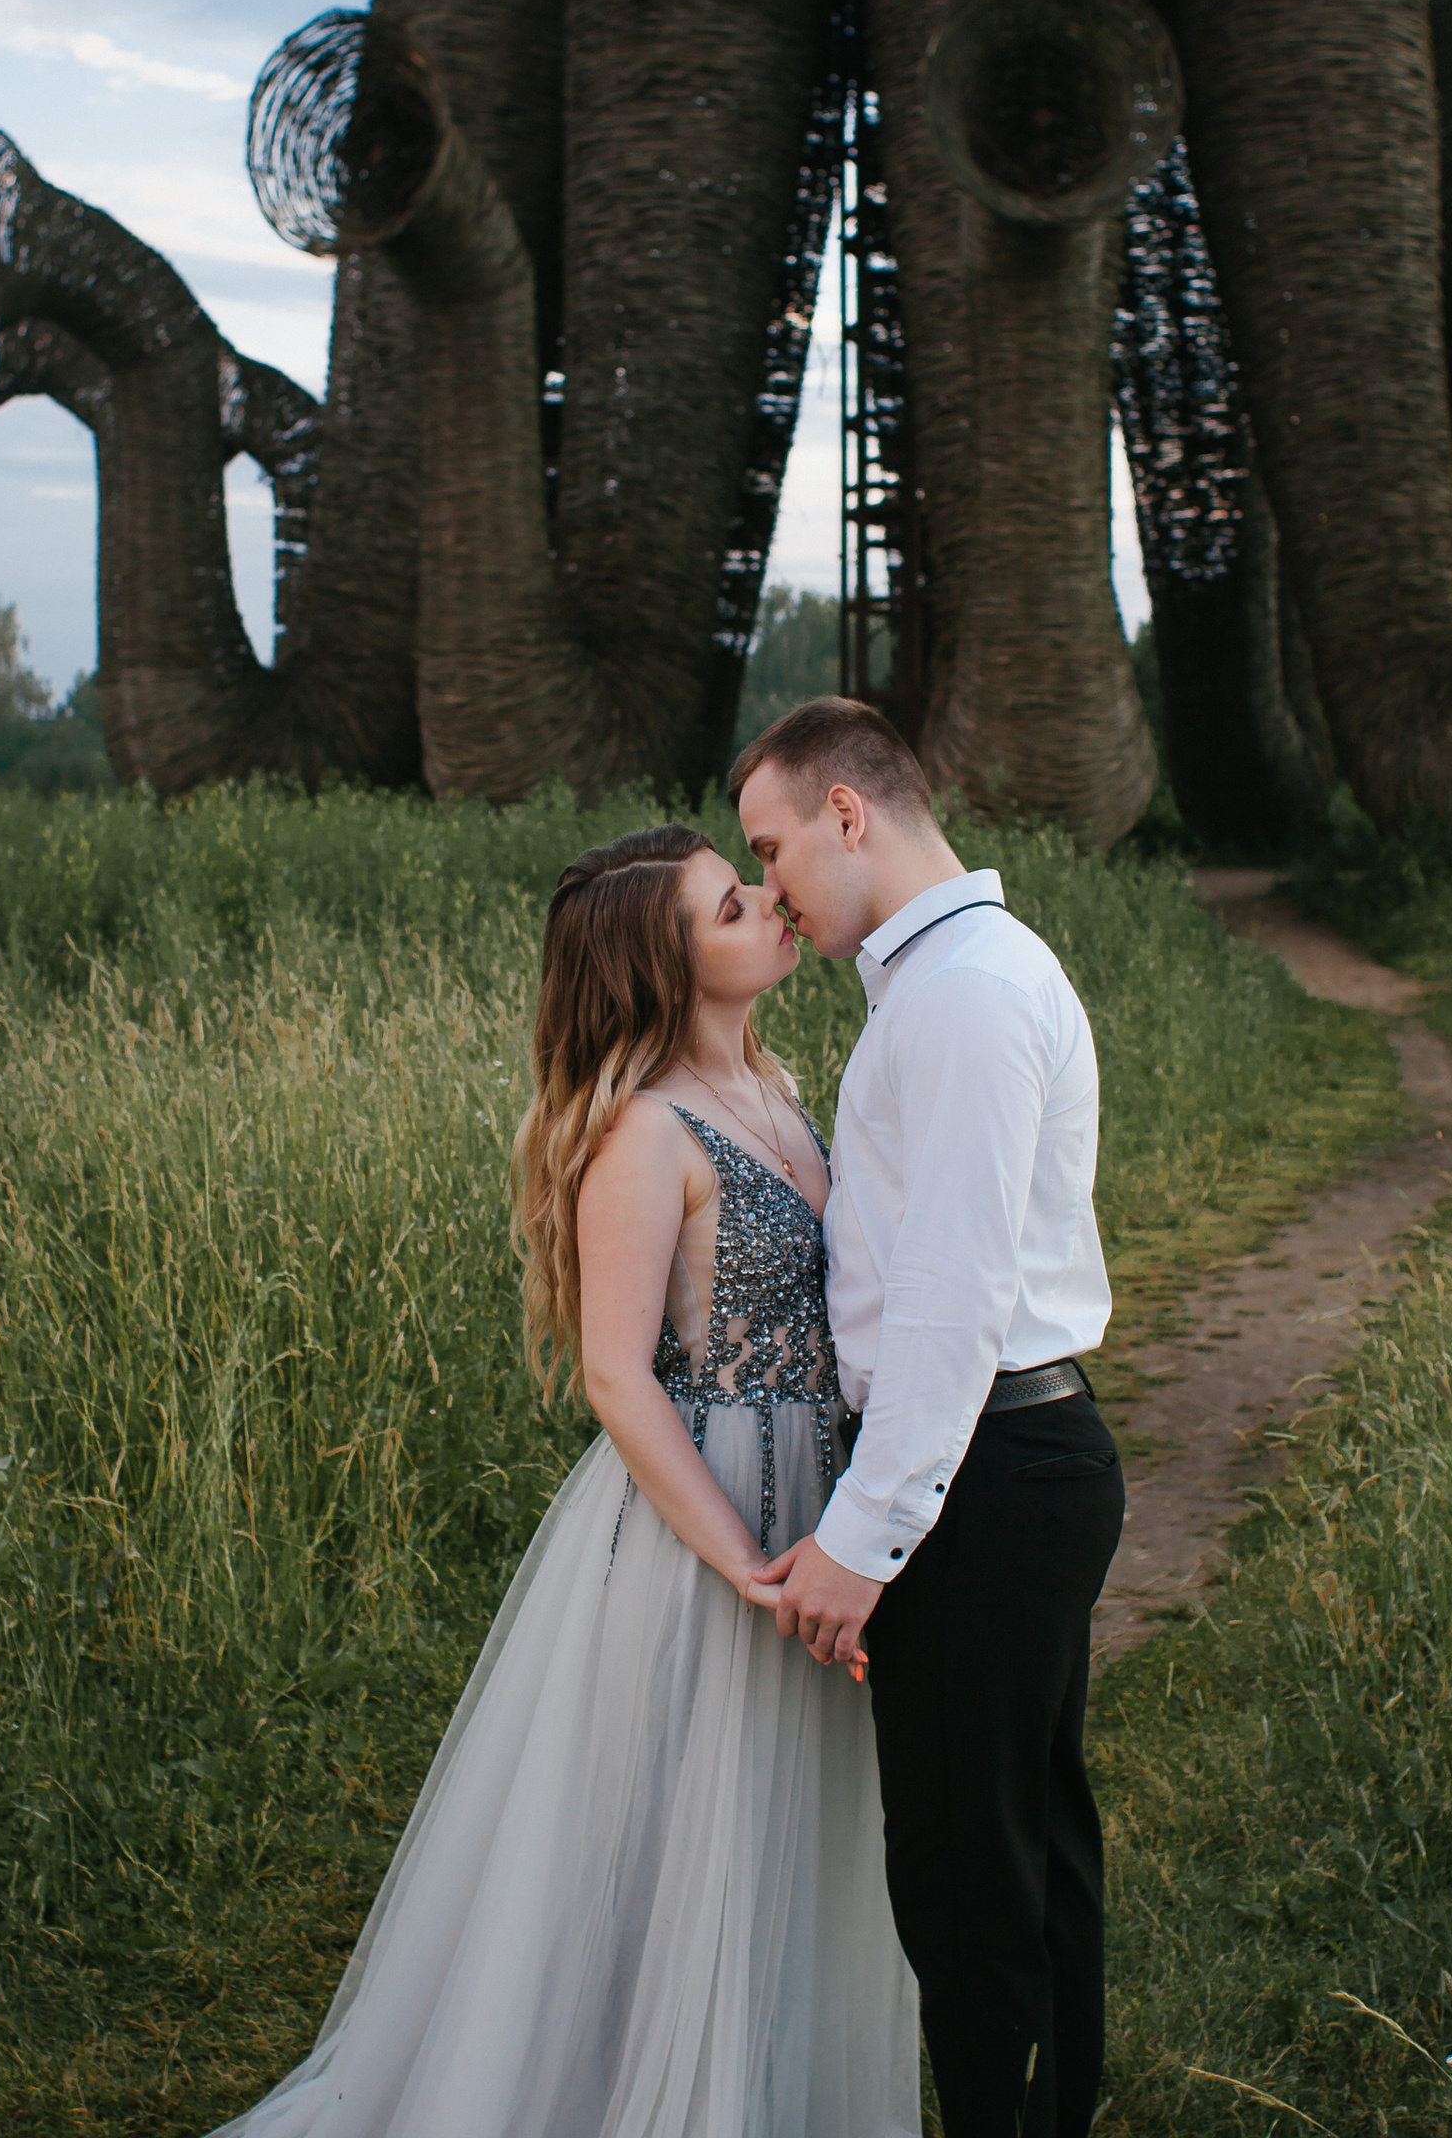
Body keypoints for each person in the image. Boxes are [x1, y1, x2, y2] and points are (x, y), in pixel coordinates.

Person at [208, 824, 919, 2138]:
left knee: (787, 1830)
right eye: (729, 904)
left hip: (815, 1486)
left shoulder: (774, 1082)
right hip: (713, 1519)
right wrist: (743, 1565)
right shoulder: (644, 1137)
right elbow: (615, 1377)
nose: (769, 900)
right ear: (666, 972)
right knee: (677, 1837)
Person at [735, 700, 1126, 2138]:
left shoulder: (963, 989)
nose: (768, 883)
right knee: (1019, 1851)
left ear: (849, 814)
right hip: (1007, 1458)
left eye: (772, 846)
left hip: (986, 1468)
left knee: (970, 1882)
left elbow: (954, 1302)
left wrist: (864, 1536)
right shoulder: (945, 979)